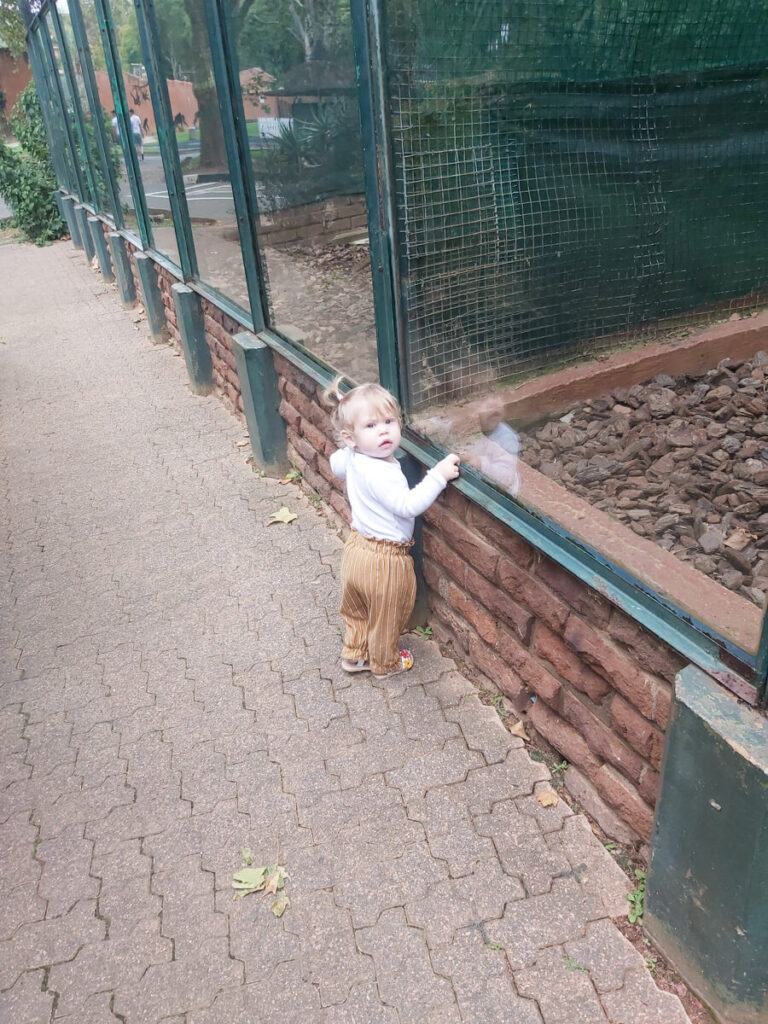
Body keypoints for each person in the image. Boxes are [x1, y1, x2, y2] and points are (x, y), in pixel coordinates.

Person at [325, 379, 460, 678]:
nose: (383, 430)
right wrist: (438, 475)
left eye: (389, 421)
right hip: (386, 559)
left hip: (356, 550)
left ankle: (355, 654)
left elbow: (335, 463)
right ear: (351, 436)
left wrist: (356, 440)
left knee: (357, 609)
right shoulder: (381, 471)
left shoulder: (353, 457)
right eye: (371, 426)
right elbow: (408, 505)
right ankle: (385, 664)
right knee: (387, 615)